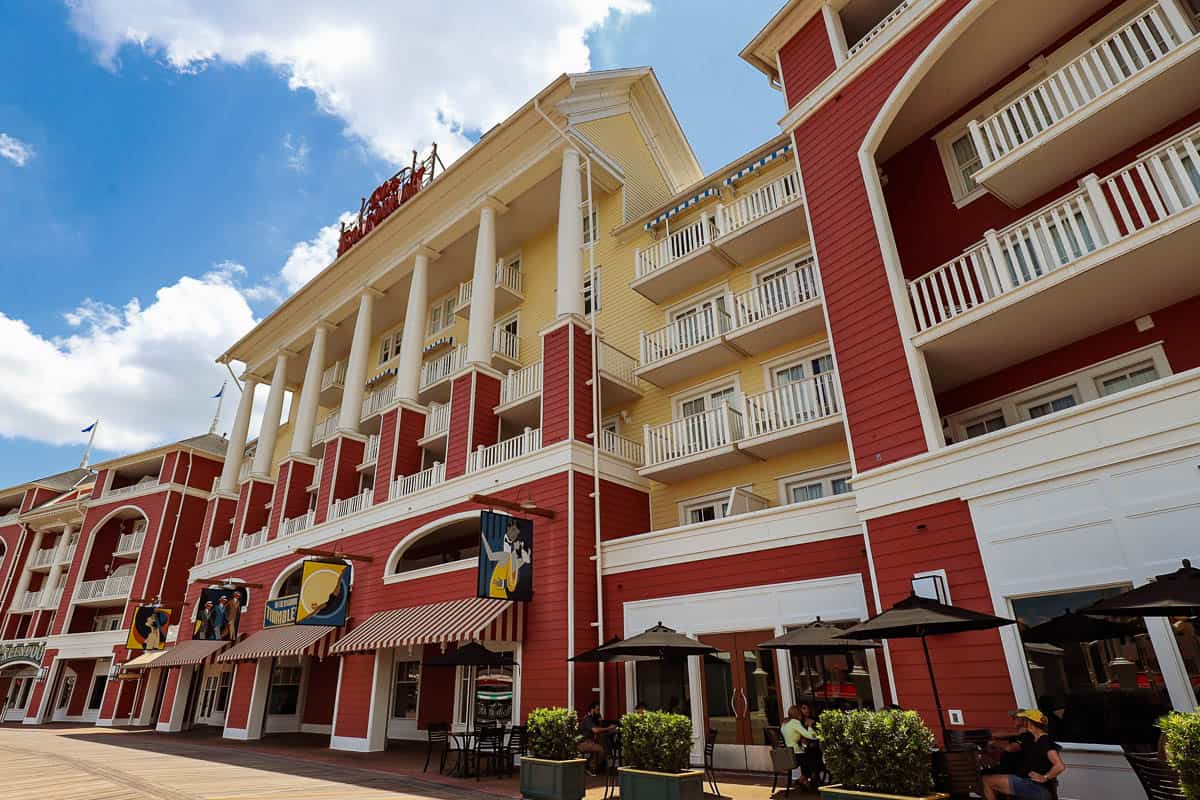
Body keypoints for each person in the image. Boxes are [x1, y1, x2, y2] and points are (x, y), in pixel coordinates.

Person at [982, 709, 1065, 800]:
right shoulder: (1034, 739)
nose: (1021, 722)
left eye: (1024, 720)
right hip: (1026, 781)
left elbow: (1060, 766)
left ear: (1028, 722)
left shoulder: (1044, 740)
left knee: (985, 781)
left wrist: (1045, 777)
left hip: (1034, 786)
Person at [781, 704, 819, 786]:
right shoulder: (795, 723)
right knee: (814, 759)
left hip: (789, 754)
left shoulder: (784, 723)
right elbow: (812, 736)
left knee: (810, 758)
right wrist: (810, 726)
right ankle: (811, 781)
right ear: (798, 714)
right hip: (797, 754)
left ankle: (803, 779)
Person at [578, 700, 617, 776]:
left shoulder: (594, 719)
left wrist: (600, 720)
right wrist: (609, 728)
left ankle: (598, 767)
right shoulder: (588, 718)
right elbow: (595, 730)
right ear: (592, 710)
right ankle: (589, 767)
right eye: (597, 710)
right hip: (583, 743)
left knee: (605, 745)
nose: (599, 712)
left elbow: (600, 728)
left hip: (591, 742)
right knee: (602, 749)